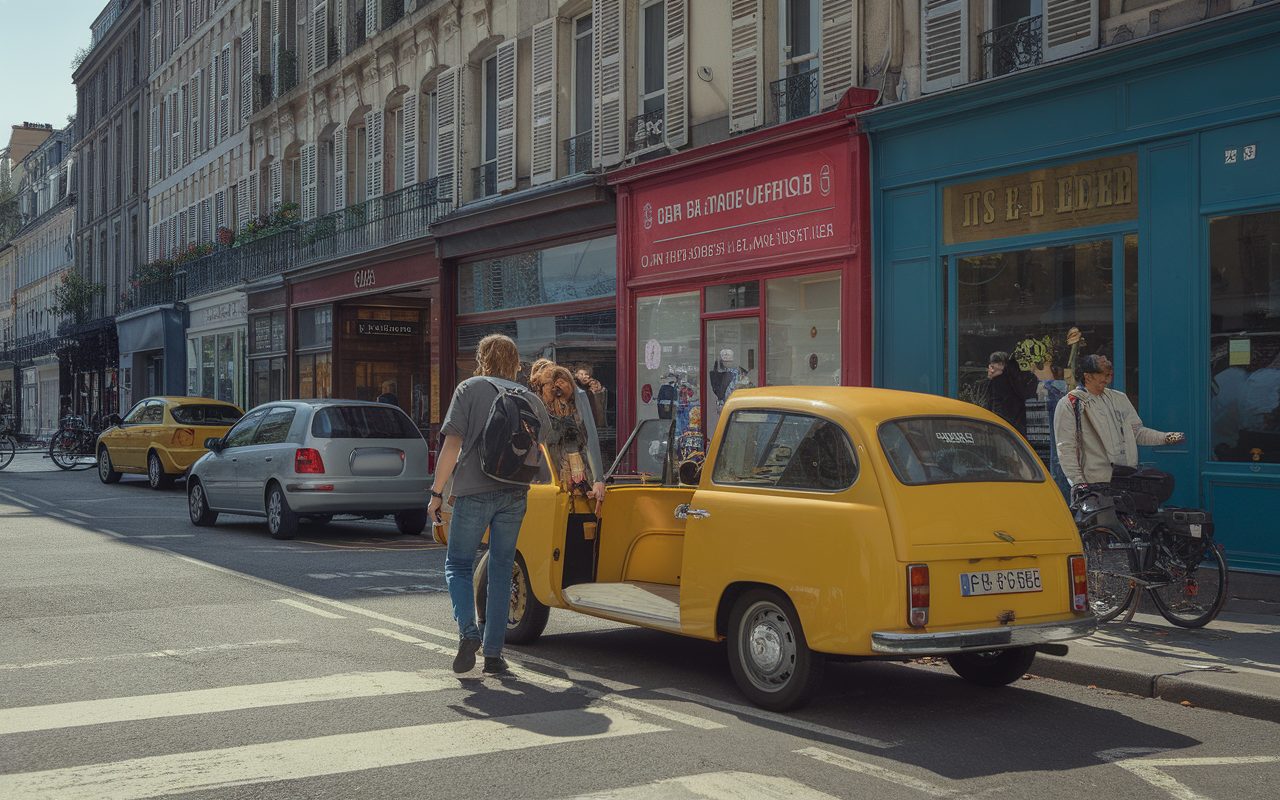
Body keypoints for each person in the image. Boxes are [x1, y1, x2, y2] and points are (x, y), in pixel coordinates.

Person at [428, 334, 551, 676]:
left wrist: (437, 493)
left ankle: (469, 633)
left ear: (481, 358)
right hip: (514, 493)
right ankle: (494, 654)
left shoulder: (470, 389)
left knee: (459, 564)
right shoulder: (528, 397)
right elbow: (542, 442)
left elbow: (452, 445)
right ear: (515, 363)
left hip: (474, 490)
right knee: (500, 569)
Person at [1054, 354, 1184, 496]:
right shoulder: (1070, 404)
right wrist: (1078, 482)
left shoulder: (1119, 398)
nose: (1108, 379)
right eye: (1103, 375)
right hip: (1093, 484)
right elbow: (1066, 448)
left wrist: (1165, 437)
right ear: (1088, 376)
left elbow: (1137, 432)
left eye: (1109, 375)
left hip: (1126, 478)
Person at [529, 358, 606, 513]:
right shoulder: (536, 403)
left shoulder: (576, 395)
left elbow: (589, 435)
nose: (553, 386)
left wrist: (598, 479)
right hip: (551, 475)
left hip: (575, 471)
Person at [983, 351, 1036, 435]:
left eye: (992, 365)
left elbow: (995, 404)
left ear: (1001, 365)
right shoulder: (1014, 377)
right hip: (1017, 421)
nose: (990, 369)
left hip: (1003, 423)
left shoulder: (998, 381)